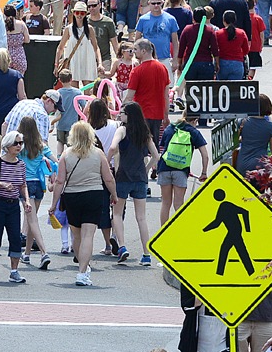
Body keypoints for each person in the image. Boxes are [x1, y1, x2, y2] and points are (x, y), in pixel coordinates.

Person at [52, 121, 117, 286]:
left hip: (73, 196)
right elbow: (108, 178)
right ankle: (82, 272)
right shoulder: (98, 153)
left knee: (77, 234)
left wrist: (53, 204)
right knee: (89, 235)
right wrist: (114, 195)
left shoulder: (66, 155)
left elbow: (60, 181)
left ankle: (83, 266)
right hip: (94, 194)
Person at [108, 102, 159, 266]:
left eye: (122, 112)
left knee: (117, 213)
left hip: (123, 176)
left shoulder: (122, 130)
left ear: (129, 115)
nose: (120, 115)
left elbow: (113, 147)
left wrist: (106, 161)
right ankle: (146, 254)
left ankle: (122, 246)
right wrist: (146, 168)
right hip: (140, 178)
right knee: (141, 217)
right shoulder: (145, 133)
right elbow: (156, 156)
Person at [0, 131, 33, 284]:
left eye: (21, 143)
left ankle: (14, 271)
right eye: (16, 143)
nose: (18, 146)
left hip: (13, 204)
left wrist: (27, 200)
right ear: (7, 145)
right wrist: (1, 184)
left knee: (15, 238)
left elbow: (23, 185)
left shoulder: (21, 164)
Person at [15, 116, 54, 270]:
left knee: (32, 220)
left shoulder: (19, 147)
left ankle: (44, 252)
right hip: (39, 184)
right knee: (32, 219)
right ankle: (27, 253)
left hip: (25, 185)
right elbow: (55, 160)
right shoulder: (41, 145)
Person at [157, 114, 209, 225]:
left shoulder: (171, 128)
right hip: (181, 171)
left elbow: (162, 147)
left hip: (164, 168)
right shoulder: (194, 132)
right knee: (179, 204)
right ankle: (179, 231)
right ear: (195, 120)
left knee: (165, 203)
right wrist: (204, 172)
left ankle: (163, 233)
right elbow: (205, 155)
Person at [55, 1, 103, 86]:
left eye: (82, 13)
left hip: (87, 61)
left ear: (85, 14)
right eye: (77, 12)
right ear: (74, 13)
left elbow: (96, 48)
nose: (79, 15)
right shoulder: (68, 29)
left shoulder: (89, 29)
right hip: (73, 61)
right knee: (74, 92)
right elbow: (60, 47)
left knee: (88, 91)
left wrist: (100, 63)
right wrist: (56, 64)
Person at [237, 94, 272, 183]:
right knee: (258, 193)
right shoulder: (271, 127)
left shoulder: (243, 122)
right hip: (261, 165)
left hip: (242, 162)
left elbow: (236, 140)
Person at [136, 0, 181, 70]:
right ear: (149, 3)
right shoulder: (143, 19)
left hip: (165, 58)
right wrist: (137, 57)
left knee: (168, 82)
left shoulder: (171, 19)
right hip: (147, 58)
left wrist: (175, 59)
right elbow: (137, 40)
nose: (156, 5)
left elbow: (175, 42)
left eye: (158, 3)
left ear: (162, 3)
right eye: (153, 3)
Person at [214, 10, 249, 81]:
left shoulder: (218, 33)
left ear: (224, 21)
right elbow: (246, 50)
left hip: (222, 63)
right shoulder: (241, 33)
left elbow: (214, 49)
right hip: (237, 64)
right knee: (235, 90)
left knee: (221, 89)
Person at [3, 3, 29, 73]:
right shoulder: (21, 24)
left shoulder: (2, 25)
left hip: (6, 56)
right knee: (19, 80)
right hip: (19, 55)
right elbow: (27, 40)